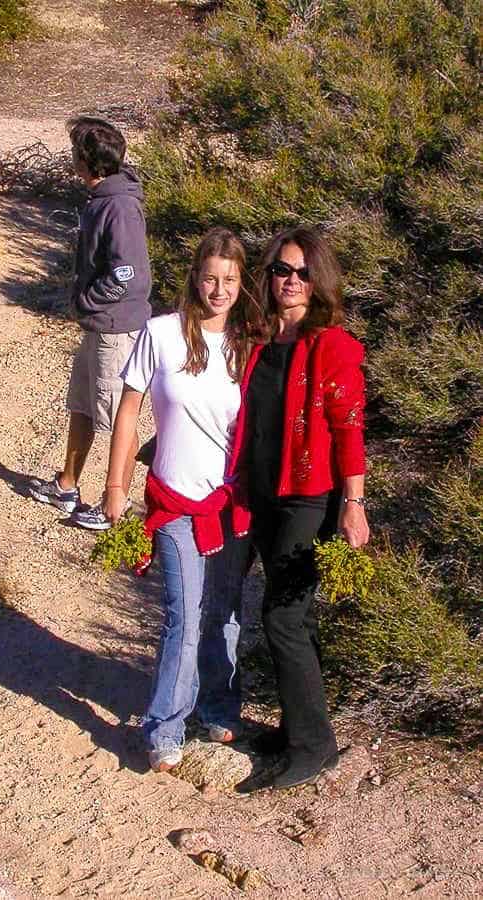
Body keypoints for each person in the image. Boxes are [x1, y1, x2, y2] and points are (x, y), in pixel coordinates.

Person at [103, 227, 267, 772]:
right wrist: (115, 486)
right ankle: (165, 724)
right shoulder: (162, 334)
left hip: (227, 503)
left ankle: (219, 706)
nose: (218, 290)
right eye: (210, 278)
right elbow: (128, 410)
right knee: (183, 613)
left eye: (230, 280)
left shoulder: (249, 346)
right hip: (173, 500)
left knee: (223, 613)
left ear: (242, 284)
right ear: (195, 277)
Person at [233, 226, 370, 792]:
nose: (290, 281)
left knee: (282, 615)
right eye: (281, 271)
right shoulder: (257, 338)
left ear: (319, 281)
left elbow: (349, 429)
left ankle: (314, 745)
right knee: (295, 614)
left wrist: (354, 504)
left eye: (302, 272)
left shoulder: (330, 344)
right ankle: (298, 729)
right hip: (262, 491)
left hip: (310, 495)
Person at [29, 116, 152, 530]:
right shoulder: (103, 197)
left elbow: (128, 274)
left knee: (122, 418)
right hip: (99, 327)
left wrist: (87, 299)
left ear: (87, 161)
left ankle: (113, 503)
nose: (71, 158)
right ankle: (67, 485)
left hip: (116, 330)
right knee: (83, 406)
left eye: (74, 151)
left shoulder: (118, 206)